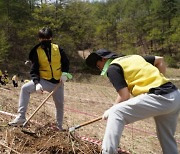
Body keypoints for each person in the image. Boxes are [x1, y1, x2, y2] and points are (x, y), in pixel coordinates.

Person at [86, 49, 180, 154]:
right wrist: (160, 80)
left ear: (104, 59)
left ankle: (108, 152)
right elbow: (159, 60)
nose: (99, 68)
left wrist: (111, 110)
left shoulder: (113, 68)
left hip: (159, 96)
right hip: (175, 95)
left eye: (98, 65)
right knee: (166, 136)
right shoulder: (134, 57)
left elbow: (124, 96)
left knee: (116, 112)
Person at [9, 27, 70, 131]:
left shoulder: (58, 49)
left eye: (47, 38)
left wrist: (64, 74)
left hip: (58, 83)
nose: (45, 41)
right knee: (25, 88)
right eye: (43, 39)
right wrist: (37, 83)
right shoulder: (36, 52)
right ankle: (21, 117)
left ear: (51, 38)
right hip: (43, 81)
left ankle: (58, 126)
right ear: (39, 39)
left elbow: (66, 63)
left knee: (59, 104)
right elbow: (34, 70)